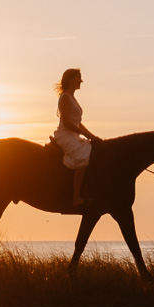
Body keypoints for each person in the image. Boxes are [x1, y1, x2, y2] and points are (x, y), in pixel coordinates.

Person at [51, 67, 102, 207]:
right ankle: (76, 198)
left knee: (92, 150)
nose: (81, 80)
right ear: (71, 79)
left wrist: (93, 136)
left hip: (73, 135)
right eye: (79, 77)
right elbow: (67, 123)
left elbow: (78, 123)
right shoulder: (65, 97)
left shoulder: (72, 97)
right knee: (83, 157)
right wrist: (86, 135)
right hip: (65, 135)